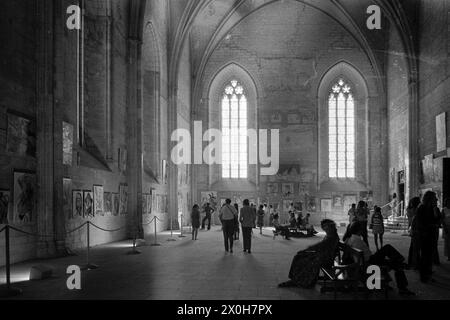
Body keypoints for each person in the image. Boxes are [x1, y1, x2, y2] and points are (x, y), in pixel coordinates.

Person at [345, 221, 415, 296]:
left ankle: (400, 262)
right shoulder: (357, 240)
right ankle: (402, 287)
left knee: (392, 257)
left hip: (368, 260)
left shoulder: (351, 239)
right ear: (359, 230)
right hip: (370, 262)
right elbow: (364, 259)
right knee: (390, 253)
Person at [278, 219, 340, 288]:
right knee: (299, 256)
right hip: (321, 256)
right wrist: (307, 251)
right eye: (324, 227)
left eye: (326, 227)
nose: (324, 229)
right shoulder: (330, 235)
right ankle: (296, 279)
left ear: (331, 227)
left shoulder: (331, 237)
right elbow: (320, 246)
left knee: (303, 259)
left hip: (325, 259)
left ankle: (302, 281)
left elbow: (319, 246)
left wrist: (307, 250)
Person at [416, 191, 439, 283]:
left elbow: (437, 219)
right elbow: (420, 222)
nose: (436, 199)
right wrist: (430, 226)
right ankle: (423, 277)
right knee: (425, 257)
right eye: (435, 198)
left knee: (430, 257)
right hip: (425, 236)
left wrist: (434, 210)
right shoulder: (421, 208)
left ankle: (428, 275)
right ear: (430, 198)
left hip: (432, 235)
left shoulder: (432, 208)